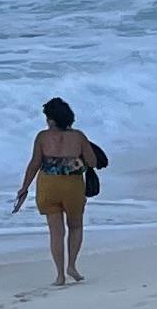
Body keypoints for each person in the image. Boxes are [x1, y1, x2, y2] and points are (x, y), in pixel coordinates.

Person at [9, 96, 108, 285]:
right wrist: (77, 161)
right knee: (76, 226)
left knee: (56, 232)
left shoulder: (42, 137)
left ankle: (59, 275)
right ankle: (72, 266)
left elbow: (34, 164)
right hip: (72, 186)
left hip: (48, 186)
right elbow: (93, 162)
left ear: (51, 120)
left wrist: (24, 188)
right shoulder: (78, 136)